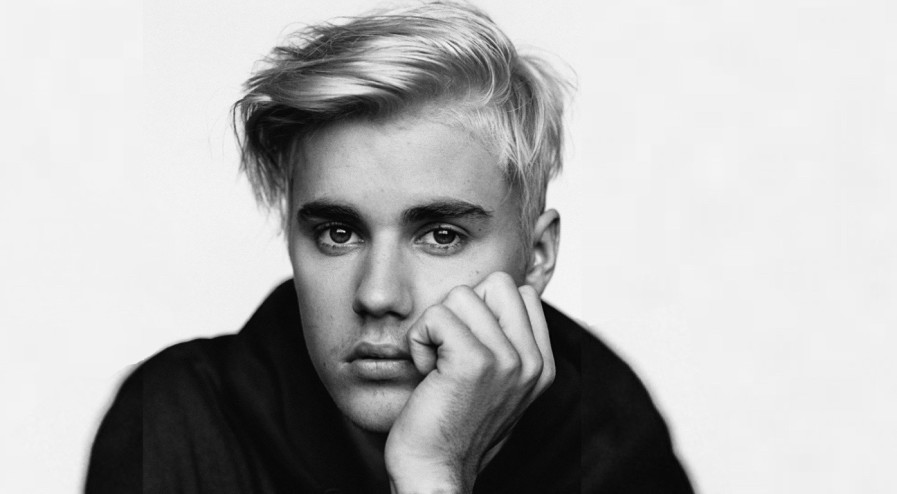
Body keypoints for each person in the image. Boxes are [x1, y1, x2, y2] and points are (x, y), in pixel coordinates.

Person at [86, 2, 694, 492]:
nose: (378, 295)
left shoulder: (605, 430)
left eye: (441, 236)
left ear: (537, 256)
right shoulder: (174, 422)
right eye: (338, 233)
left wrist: (433, 472)